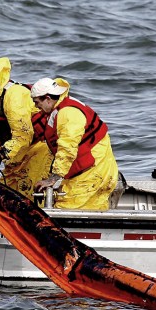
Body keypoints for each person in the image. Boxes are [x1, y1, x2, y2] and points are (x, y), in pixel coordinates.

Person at [31, 77, 119, 210]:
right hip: (98, 170)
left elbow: (67, 150)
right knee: (94, 209)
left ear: (48, 98)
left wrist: (52, 179)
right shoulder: (61, 108)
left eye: (37, 102)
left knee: (66, 207)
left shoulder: (67, 113)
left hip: (92, 174)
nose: (36, 106)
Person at [0, 58, 52, 198]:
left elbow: (23, 136)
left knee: (27, 195)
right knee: (4, 193)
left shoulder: (14, 96)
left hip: (38, 150)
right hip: (17, 155)